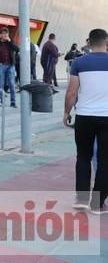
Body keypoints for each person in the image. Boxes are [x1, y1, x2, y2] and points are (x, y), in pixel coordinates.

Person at [63, 28, 108, 214]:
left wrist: (66, 112)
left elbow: (72, 92)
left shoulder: (79, 63)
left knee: (83, 157)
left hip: (84, 116)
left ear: (88, 42)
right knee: (105, 161)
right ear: (107, 43)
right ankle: (97, 204)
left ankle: (81, 200)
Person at [0, 28, 20, 107]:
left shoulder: (11, 41)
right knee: (1, 83)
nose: (5, 35)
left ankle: (13, 101)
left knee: (11, 83)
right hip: (0, 65)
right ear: (0, 35)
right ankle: (2, 100)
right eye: (3, 33)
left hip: (10, 65)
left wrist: (10, 41)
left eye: (6, 33)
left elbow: (17, 49)